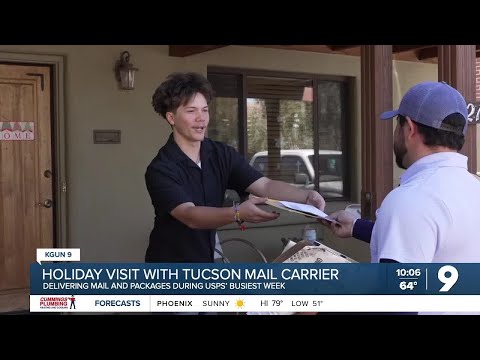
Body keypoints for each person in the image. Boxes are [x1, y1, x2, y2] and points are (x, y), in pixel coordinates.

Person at [145, 72, 326, 263]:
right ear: (171, 118)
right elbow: (190, 216)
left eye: (205, 110)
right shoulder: (161, 169)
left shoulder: (221, 154)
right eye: (191, 111)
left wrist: (306, 196)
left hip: (208, 261)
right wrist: (237, 213)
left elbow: (265, 186)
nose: (201, 118)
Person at [326, 81, 480, 264]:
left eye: (397, 124)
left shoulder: (410, 199)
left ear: (409, 128)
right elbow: (429, 236)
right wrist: (355, 227)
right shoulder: (473, 188)